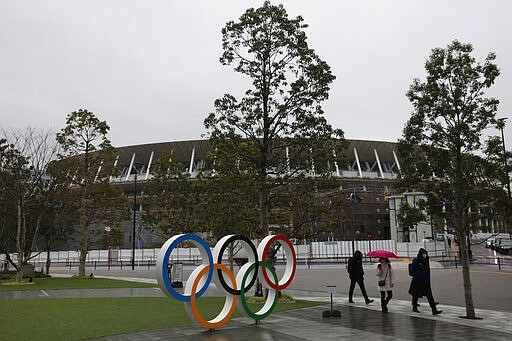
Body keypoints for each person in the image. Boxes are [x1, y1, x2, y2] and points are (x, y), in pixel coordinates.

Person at [408, 248, 443, 315]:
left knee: (429, 295)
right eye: (423, 254)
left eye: (425, 254)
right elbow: (414, 270)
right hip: (417, 281)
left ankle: (434, 310)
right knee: (415, 294)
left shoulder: (426, 261)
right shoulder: (416, 260)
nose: (425, 255)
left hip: (425, 282)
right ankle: (414, 307)